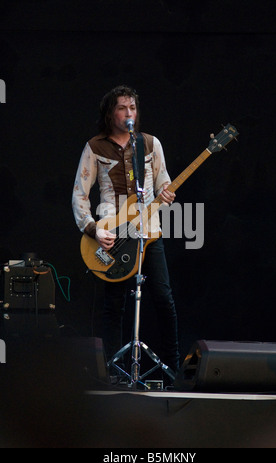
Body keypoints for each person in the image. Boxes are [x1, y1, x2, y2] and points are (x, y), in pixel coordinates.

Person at [72, 85, 180, 377]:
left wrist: (167, 193)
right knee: (114, 305)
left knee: (163, 298)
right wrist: (93, 229)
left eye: (132, 108)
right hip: (113, 234)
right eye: (122, 108)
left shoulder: (149, 143)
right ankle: (113, 371)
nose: (129, 113)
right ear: (110, 113)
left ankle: (175, 369)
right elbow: (79, 195)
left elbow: (164, 182)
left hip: (149, 231)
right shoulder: (95, 147)